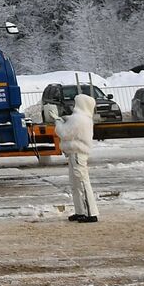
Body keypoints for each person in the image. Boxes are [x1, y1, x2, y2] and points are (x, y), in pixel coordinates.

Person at [57, 91, 99, 223]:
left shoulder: (78, 118)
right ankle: (80, 211)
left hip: (77, 154)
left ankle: (91, 213)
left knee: (81, 183)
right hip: (76, 153)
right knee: (75, 184)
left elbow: (64, 133)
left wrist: (58, 122)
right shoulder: (84, 118)